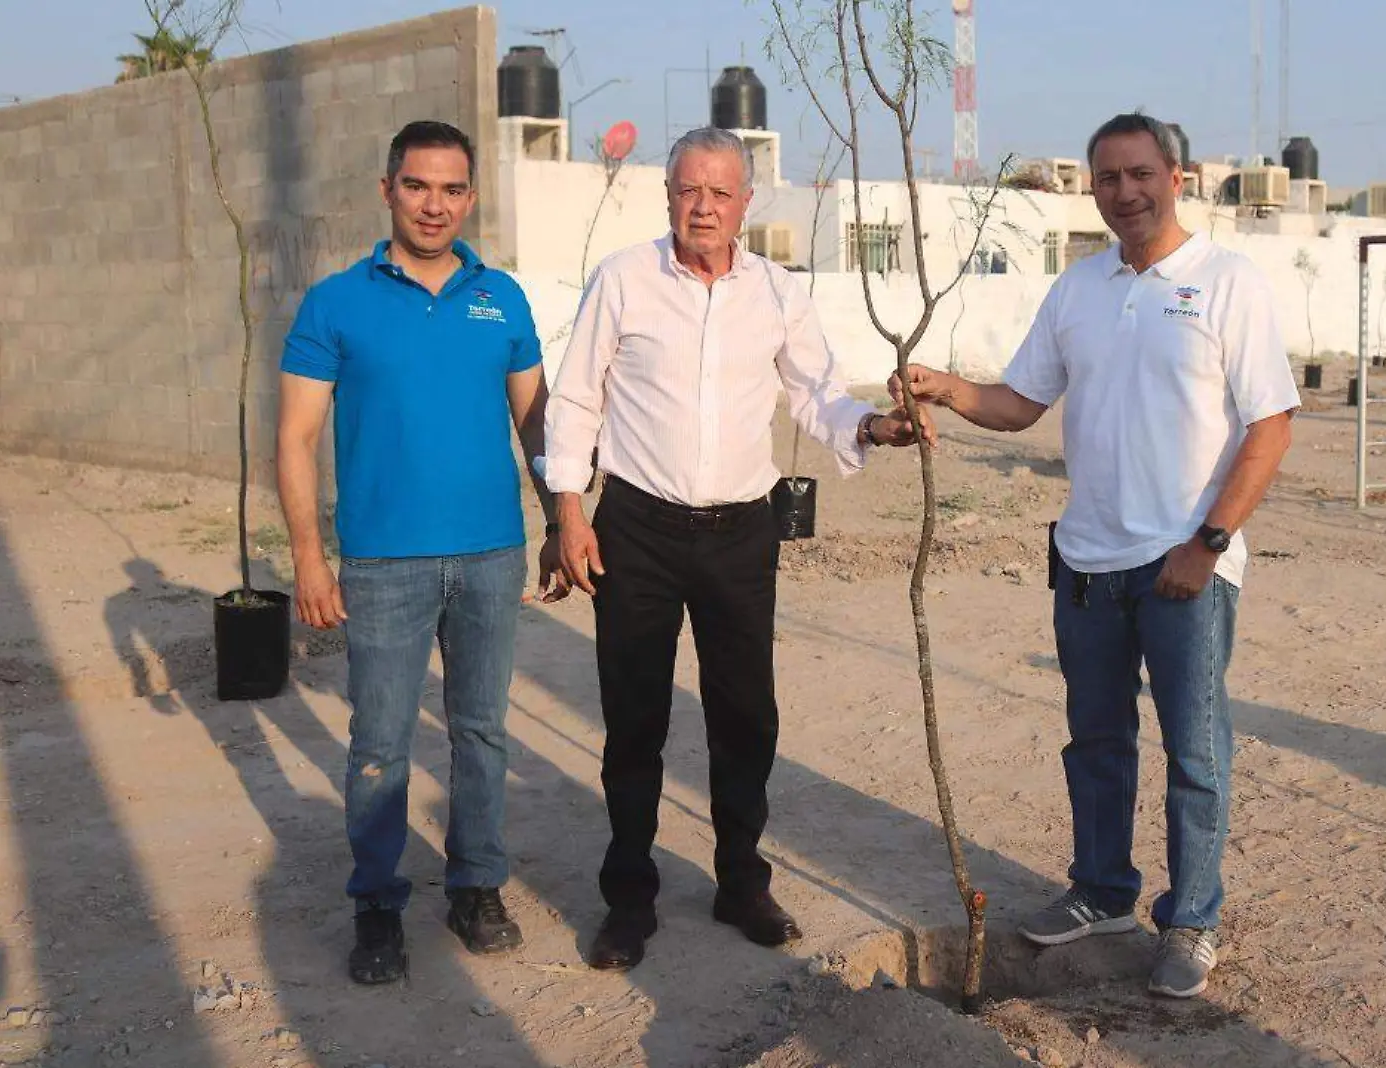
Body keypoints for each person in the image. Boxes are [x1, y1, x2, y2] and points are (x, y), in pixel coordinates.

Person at [889, 113, 1299, 999]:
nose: (1125, 192)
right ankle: (1104, 891)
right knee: (1098, 741)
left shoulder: (1229, 284)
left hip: (1184, 563)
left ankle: (1190, 922)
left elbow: (1271, 423)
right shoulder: (1076, 290)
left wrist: (1208, 541)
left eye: (1141, 174)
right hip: (1086, 560)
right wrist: (950, 390)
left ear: (1176, 177)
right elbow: (1021, 404)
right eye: (1108, 178)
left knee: (1196, 750)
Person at [540, 126, 929, 972]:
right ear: (668, 197)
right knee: (634, 716)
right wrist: (569, 512)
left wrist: (870, 425)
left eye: (720, 192)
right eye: (689, 191)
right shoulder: (624, 280)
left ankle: (739, 881)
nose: (704, 207)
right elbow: (574, 401)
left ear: (747, 203)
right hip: (635, 528)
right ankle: (630, 896)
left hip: (740, 532)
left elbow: (815, 394)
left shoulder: (779, 293)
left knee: (745, 715)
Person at [276, 119, 564, 985]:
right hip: (383, 563)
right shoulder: (336, 301)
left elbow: (537, 421)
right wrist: (307, 559)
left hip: (489, 555)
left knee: (481, 731)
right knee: (380, 741)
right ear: (387, 190)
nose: (434, 205)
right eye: (417, 186)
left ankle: (476, 885)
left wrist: (561, 520)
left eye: (451, 189)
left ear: (470, 197)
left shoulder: (501, 297)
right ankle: (376, 903)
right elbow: (296, 438)